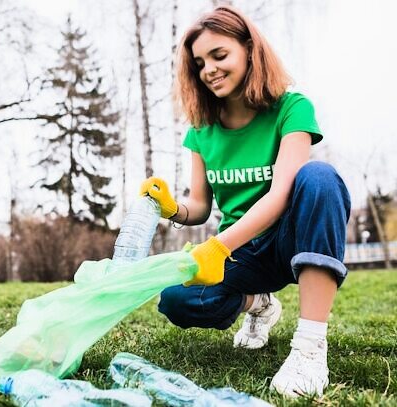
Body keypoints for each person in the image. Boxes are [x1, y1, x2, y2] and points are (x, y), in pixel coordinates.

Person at [140, 6, 350, 398]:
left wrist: (218, 246)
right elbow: (200, 206)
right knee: (176, 300)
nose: (209, 70)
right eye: (200, 63)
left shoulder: (292, 108)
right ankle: (259, 304)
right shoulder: (201, 130)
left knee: (320, 178)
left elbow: (282, 192)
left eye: (220, 55)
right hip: (243, 254)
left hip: (288, 239)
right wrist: (173, 209)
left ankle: (309, 348)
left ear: (251, 50)